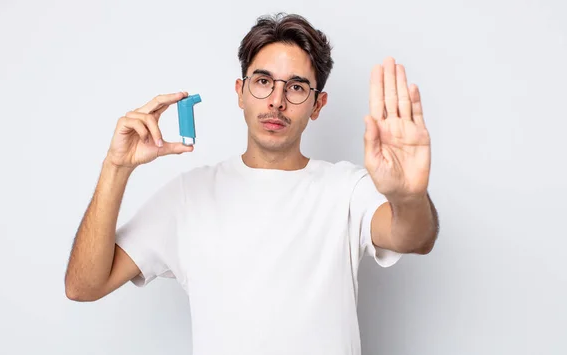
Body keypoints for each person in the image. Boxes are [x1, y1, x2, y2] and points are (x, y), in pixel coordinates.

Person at [64, 12, 439, 355]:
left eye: (295, 87)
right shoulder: (188, 196)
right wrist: (116, 167)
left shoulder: (346, 189)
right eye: (263, 82)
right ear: (240, 93)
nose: (276, 101)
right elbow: (84, 286)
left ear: (318, 104)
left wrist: (408, 196)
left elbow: (414, 237)